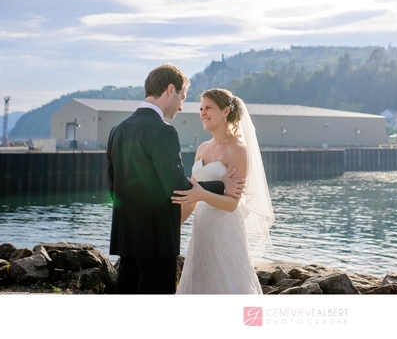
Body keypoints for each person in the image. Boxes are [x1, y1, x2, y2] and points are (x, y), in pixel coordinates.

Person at [107, 64, 245, 294]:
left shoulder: (117, 130)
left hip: (127, 238)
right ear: (170, 89)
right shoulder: (163, 131)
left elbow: (114, 188)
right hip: (157, 241)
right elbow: (177, 187)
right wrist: (221, 184)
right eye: (182, 96)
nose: (181, 106)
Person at [172, 88, 274, 294]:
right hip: (201, 228)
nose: (203, 113)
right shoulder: (202, 148)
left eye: (208, 108)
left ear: (226, 111)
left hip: (225, 229)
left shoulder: (237, 149)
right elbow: (192, 196)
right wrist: (172, 227)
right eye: (201, 108)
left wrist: (201, 194)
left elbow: (232, 203)